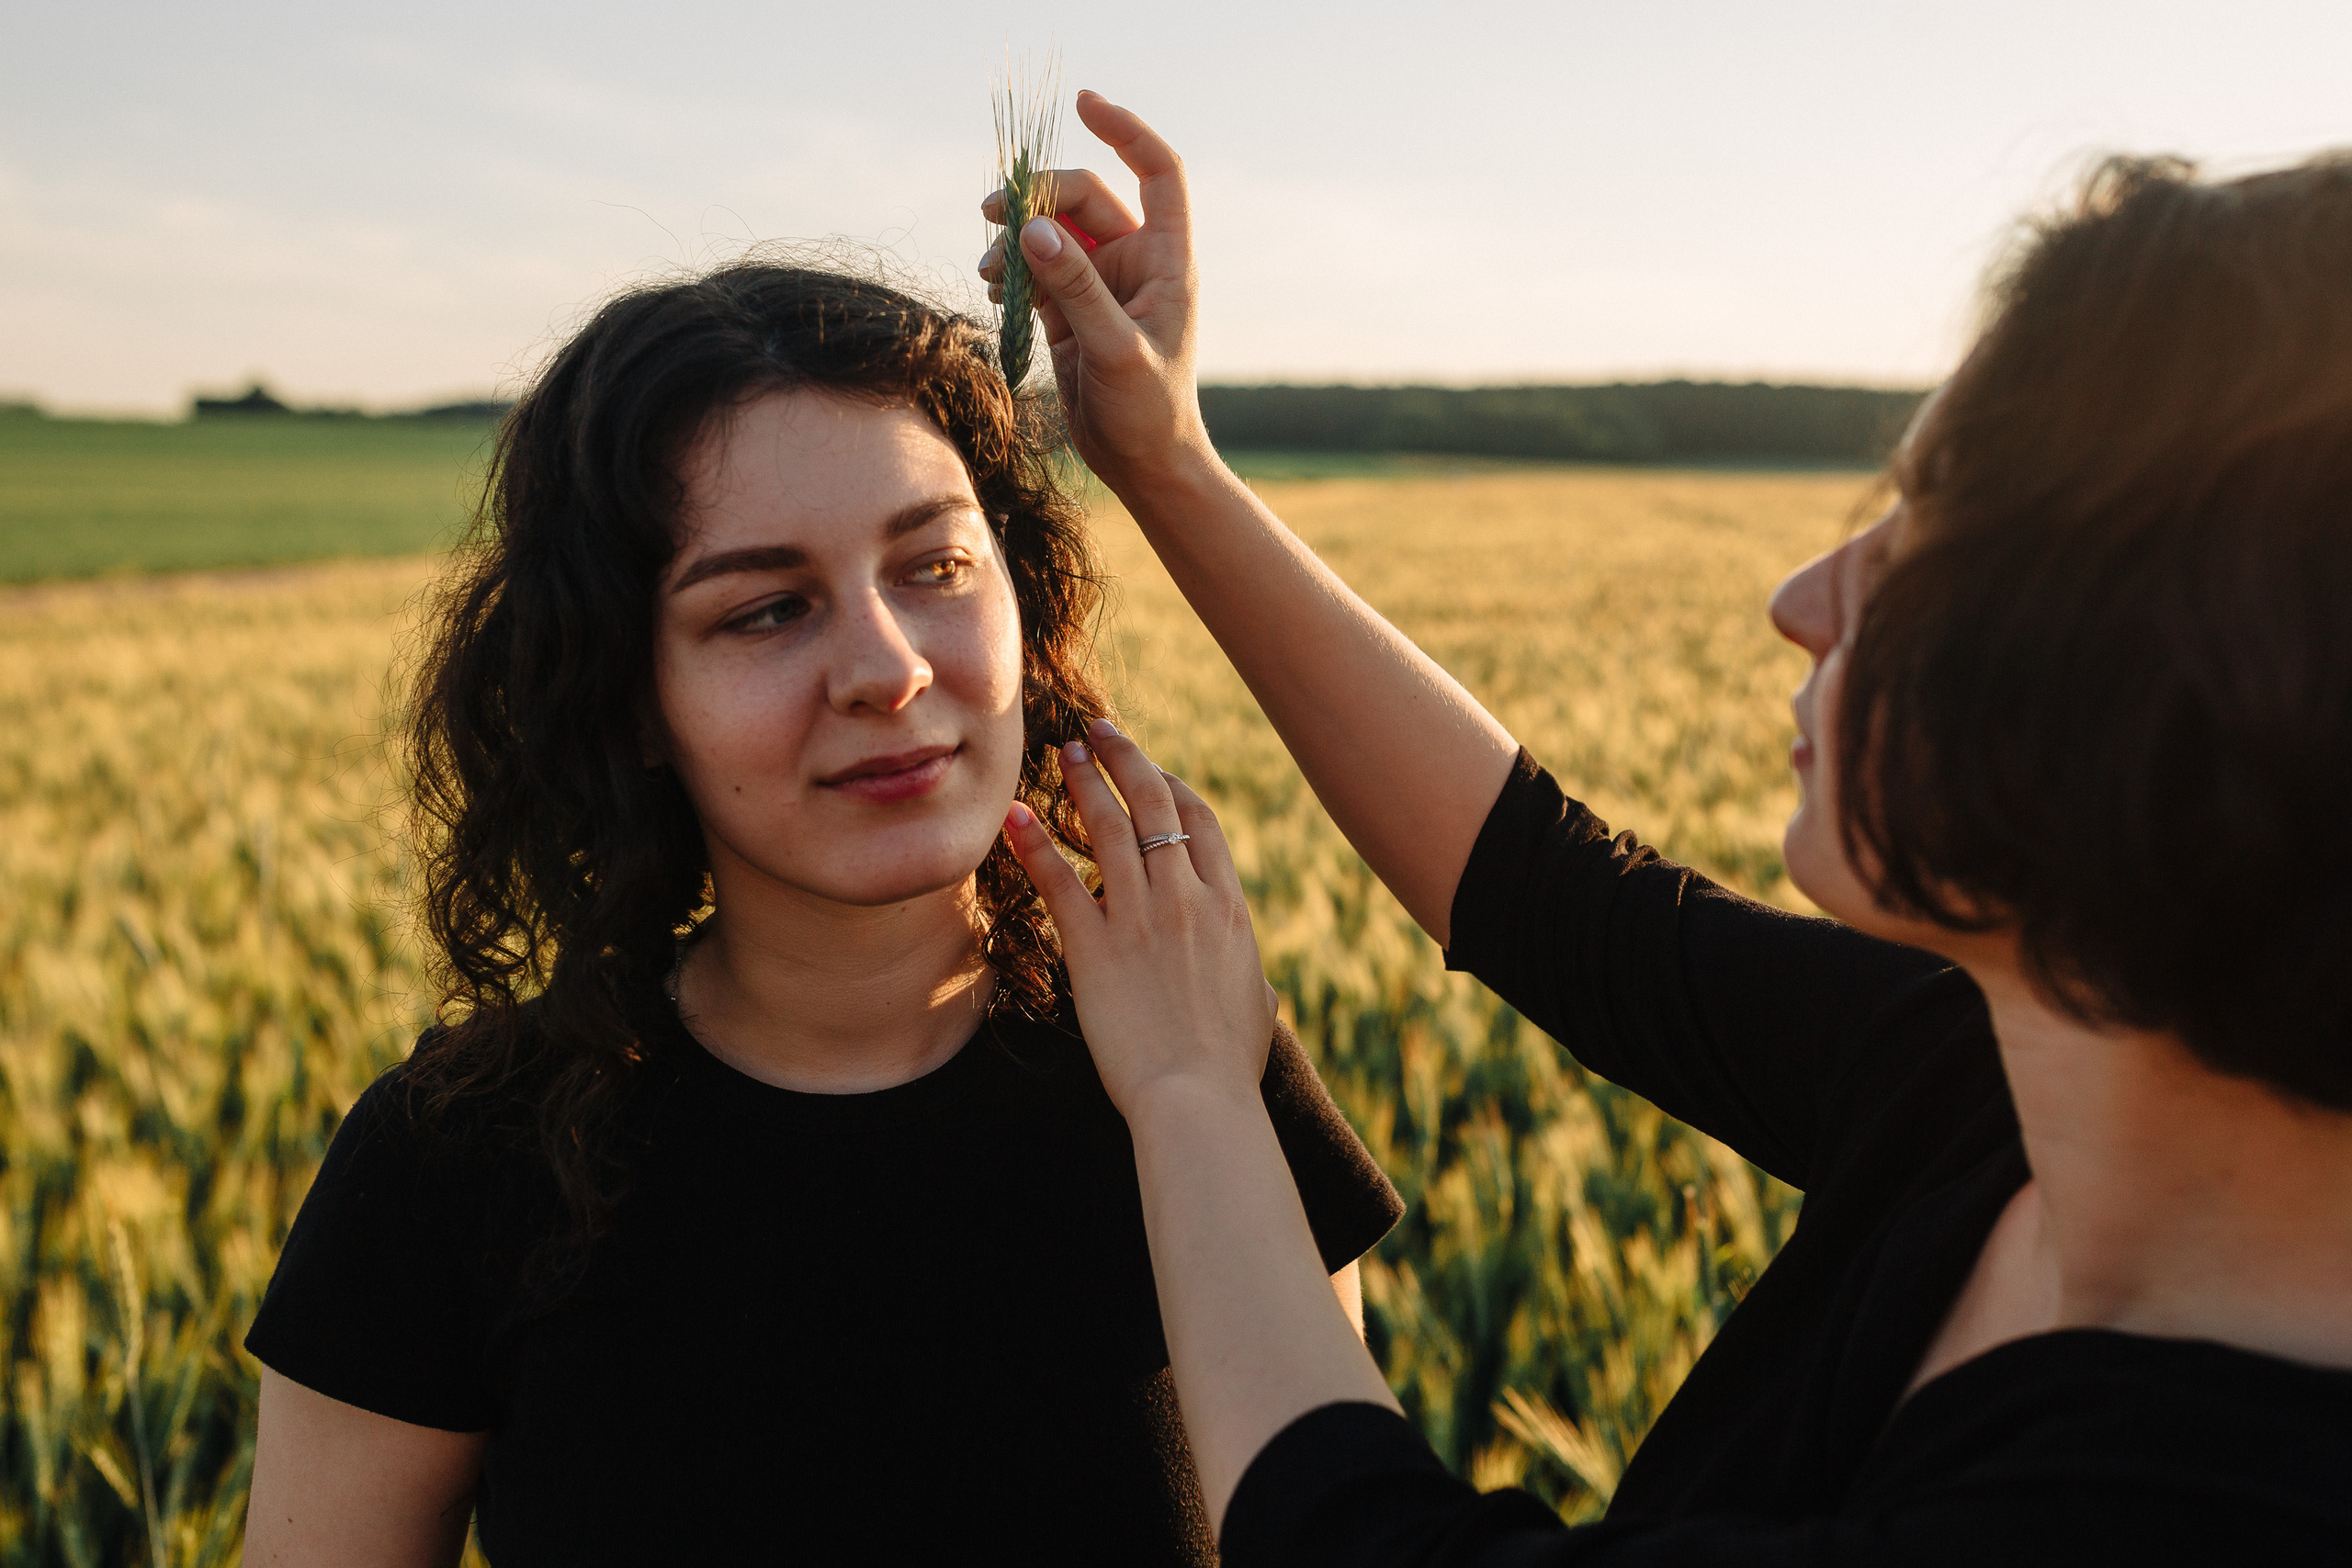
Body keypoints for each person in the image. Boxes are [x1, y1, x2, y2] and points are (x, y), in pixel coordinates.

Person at [987, 96, 2352, 1562]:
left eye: (1930, 531)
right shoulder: (2010, 1079)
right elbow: (1564, 904)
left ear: (2194, 668)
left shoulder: (2215, 1509)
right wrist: (1167, 460)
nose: (1803, 600)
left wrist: (1192, 1092)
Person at [238, 262, 1403, 1566]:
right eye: (768, 610)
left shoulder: (1198, 1074)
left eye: (937, 565)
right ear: (628, 696)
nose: (888, 670)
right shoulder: (455, 1164)